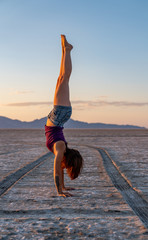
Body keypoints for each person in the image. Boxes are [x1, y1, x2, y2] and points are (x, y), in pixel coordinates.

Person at [45, 35, 83, 197]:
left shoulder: (62, 150)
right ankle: (67, 50)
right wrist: (59, 191)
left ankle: (64, 50)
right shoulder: (60, 149)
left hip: (60, 116)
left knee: (61, 78)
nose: (64, 167)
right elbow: (56, 171)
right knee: (64, 79)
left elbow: (59, 170)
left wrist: (63, 187)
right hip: (59, 114)